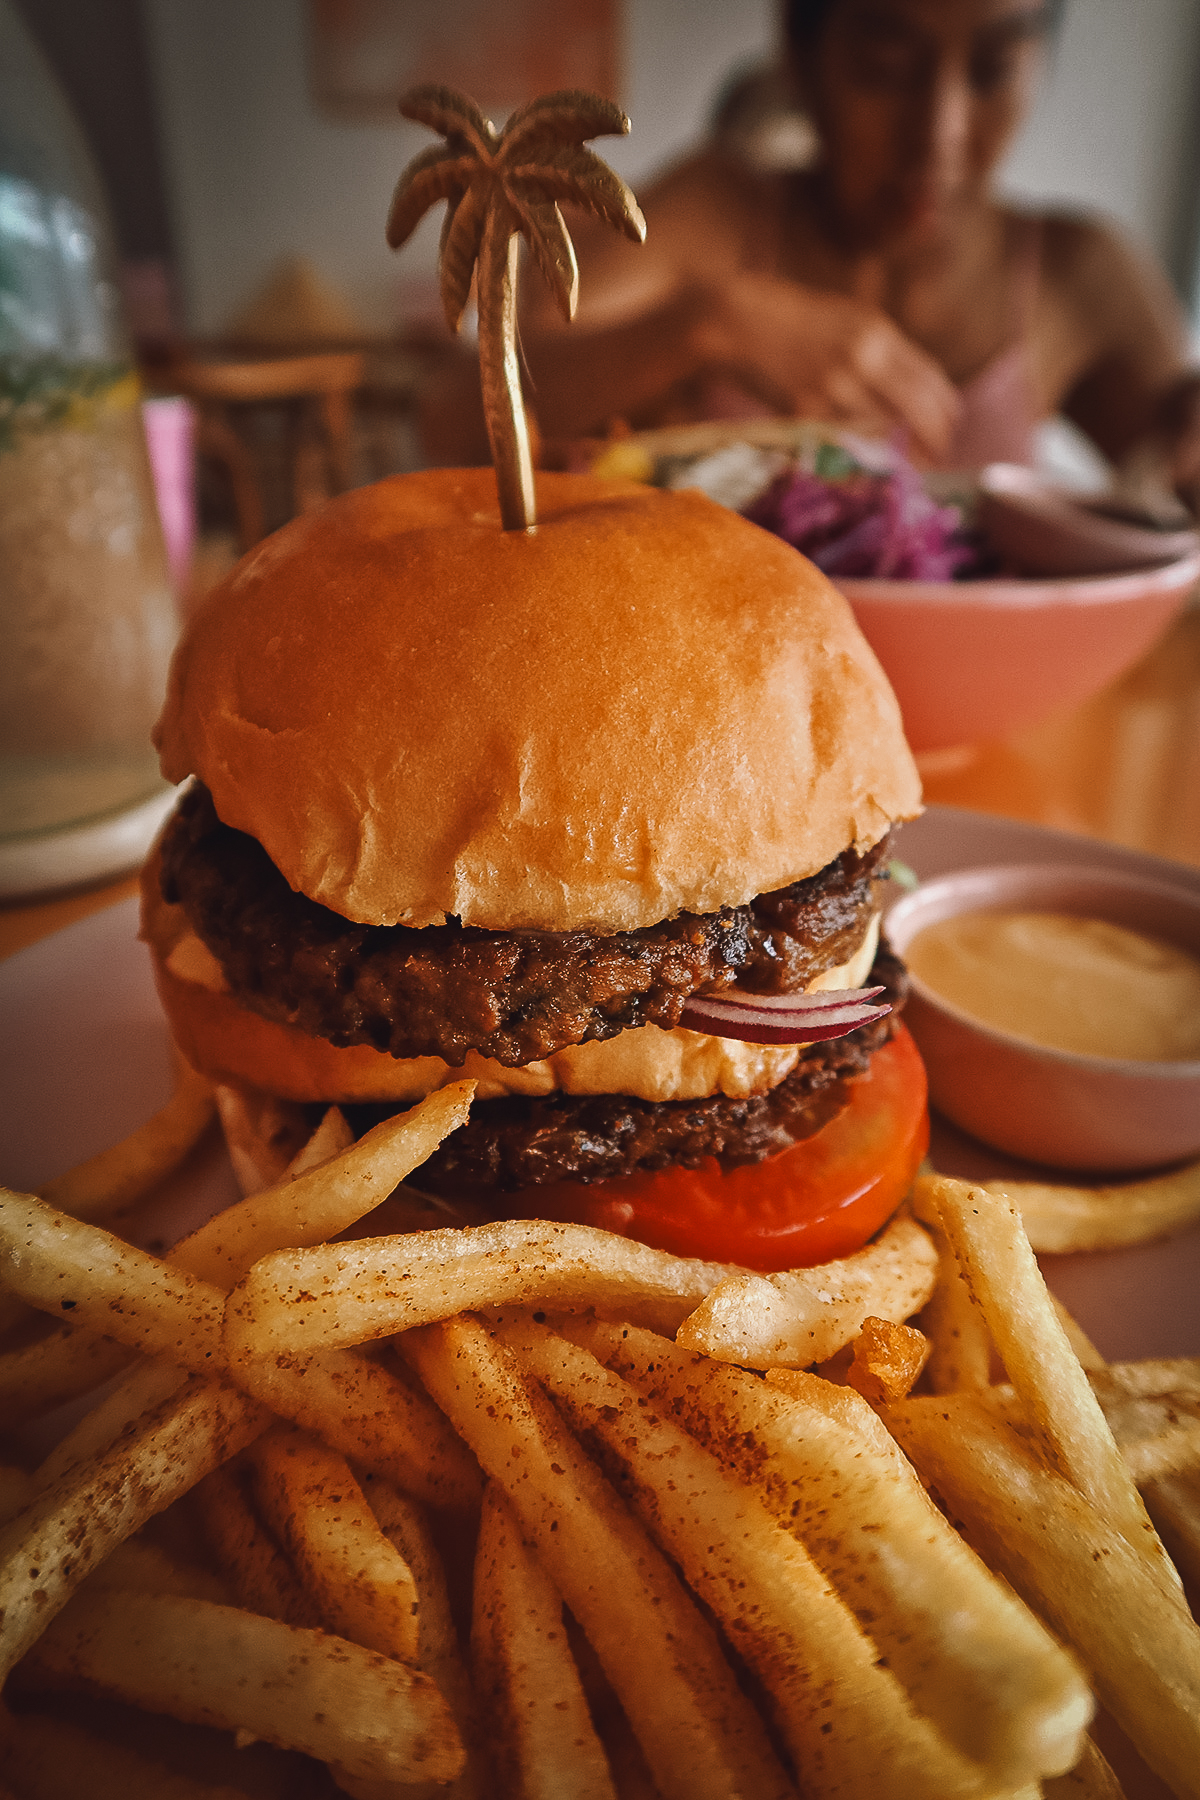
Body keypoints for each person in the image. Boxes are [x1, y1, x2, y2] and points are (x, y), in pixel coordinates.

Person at [420, 0, 1200, 504]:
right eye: (886, 70)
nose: (939, 135)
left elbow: (1176, 478)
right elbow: (455, 416)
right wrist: (707, 324)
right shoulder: (717, 214)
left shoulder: (1078, 275)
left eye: (993, 70)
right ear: (801, 51)